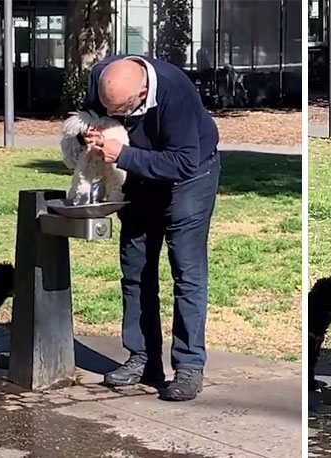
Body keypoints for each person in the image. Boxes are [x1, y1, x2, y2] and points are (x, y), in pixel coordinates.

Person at [81, 55, 220, 402]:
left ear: (143, 91)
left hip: (190, 178)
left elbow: (184, 161)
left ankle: (188, 367)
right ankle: (143, 358)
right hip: (140, 179)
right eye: (111, 109)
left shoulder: (176, 93)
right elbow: (89, 118)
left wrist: (122, 155)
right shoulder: (103, 78)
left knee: (186, 273)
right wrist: (89, 134)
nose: (120, 118)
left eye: (123, 111)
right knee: (135, 268)